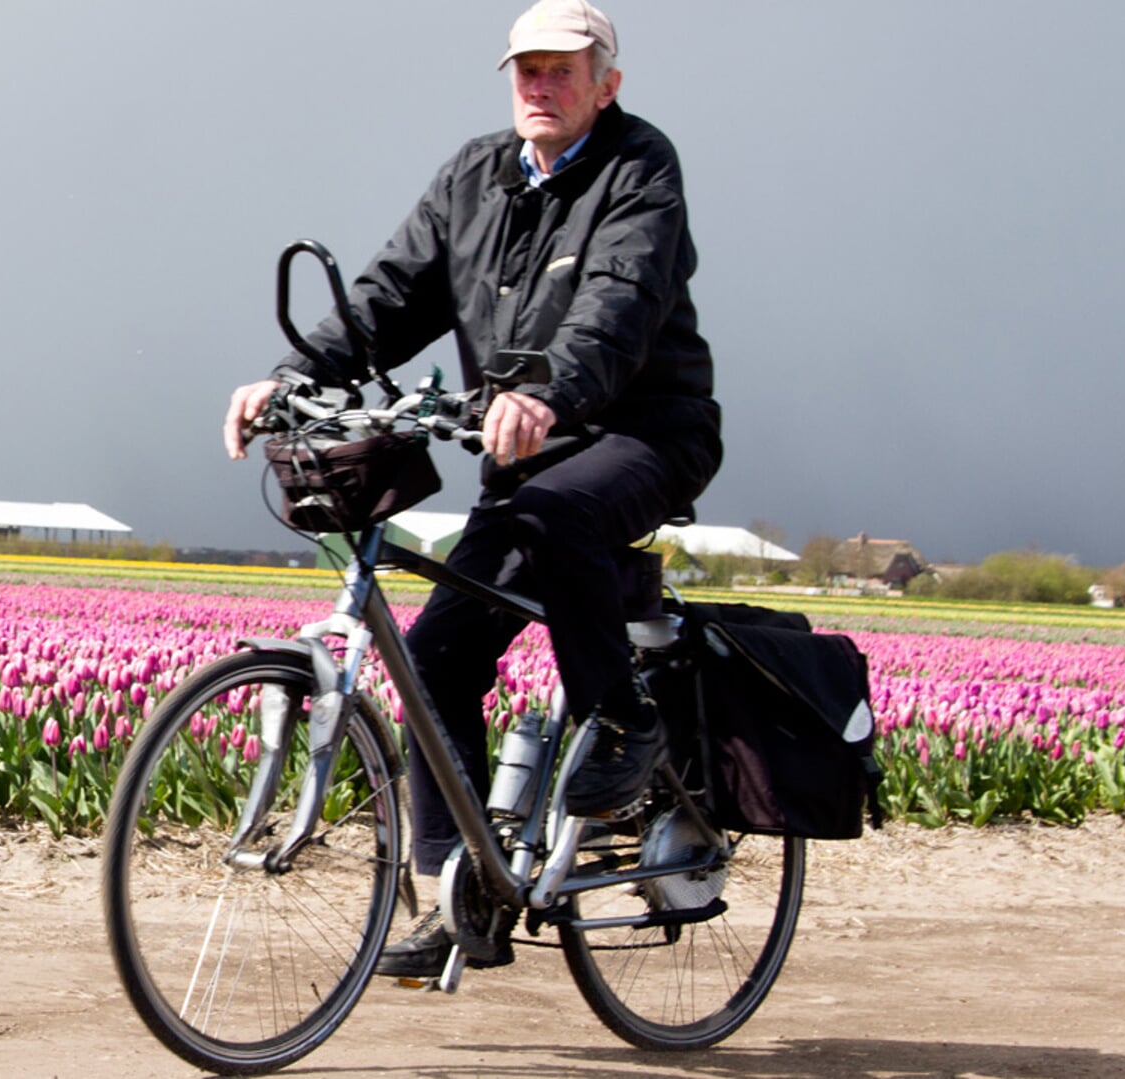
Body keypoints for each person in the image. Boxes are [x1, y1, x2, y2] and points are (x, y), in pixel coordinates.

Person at [221, 0, 723, 978]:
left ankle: (622, 719)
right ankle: (460, 889)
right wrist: (291, 381)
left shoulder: (638, 169)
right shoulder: (473, 174)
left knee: (557, 512)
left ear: (604, 83)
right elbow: (386, 296)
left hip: (639, 431)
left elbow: (617, 302)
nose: (539, 86)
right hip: (522, 448)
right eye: (524, 70)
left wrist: (545, 388)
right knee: (437, 653)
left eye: (561, 70)